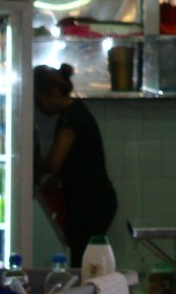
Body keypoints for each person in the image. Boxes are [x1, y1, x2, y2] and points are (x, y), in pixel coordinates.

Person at [33, 64, 118, 262]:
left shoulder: (72, 118)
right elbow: (72, 159)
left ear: (54, 93)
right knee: (83, 258)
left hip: (90, 203)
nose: (38, 108)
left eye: (39, 101)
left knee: (80, 260)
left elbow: (55, 161)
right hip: (94, 200)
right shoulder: (74, 113)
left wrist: (33, 168)